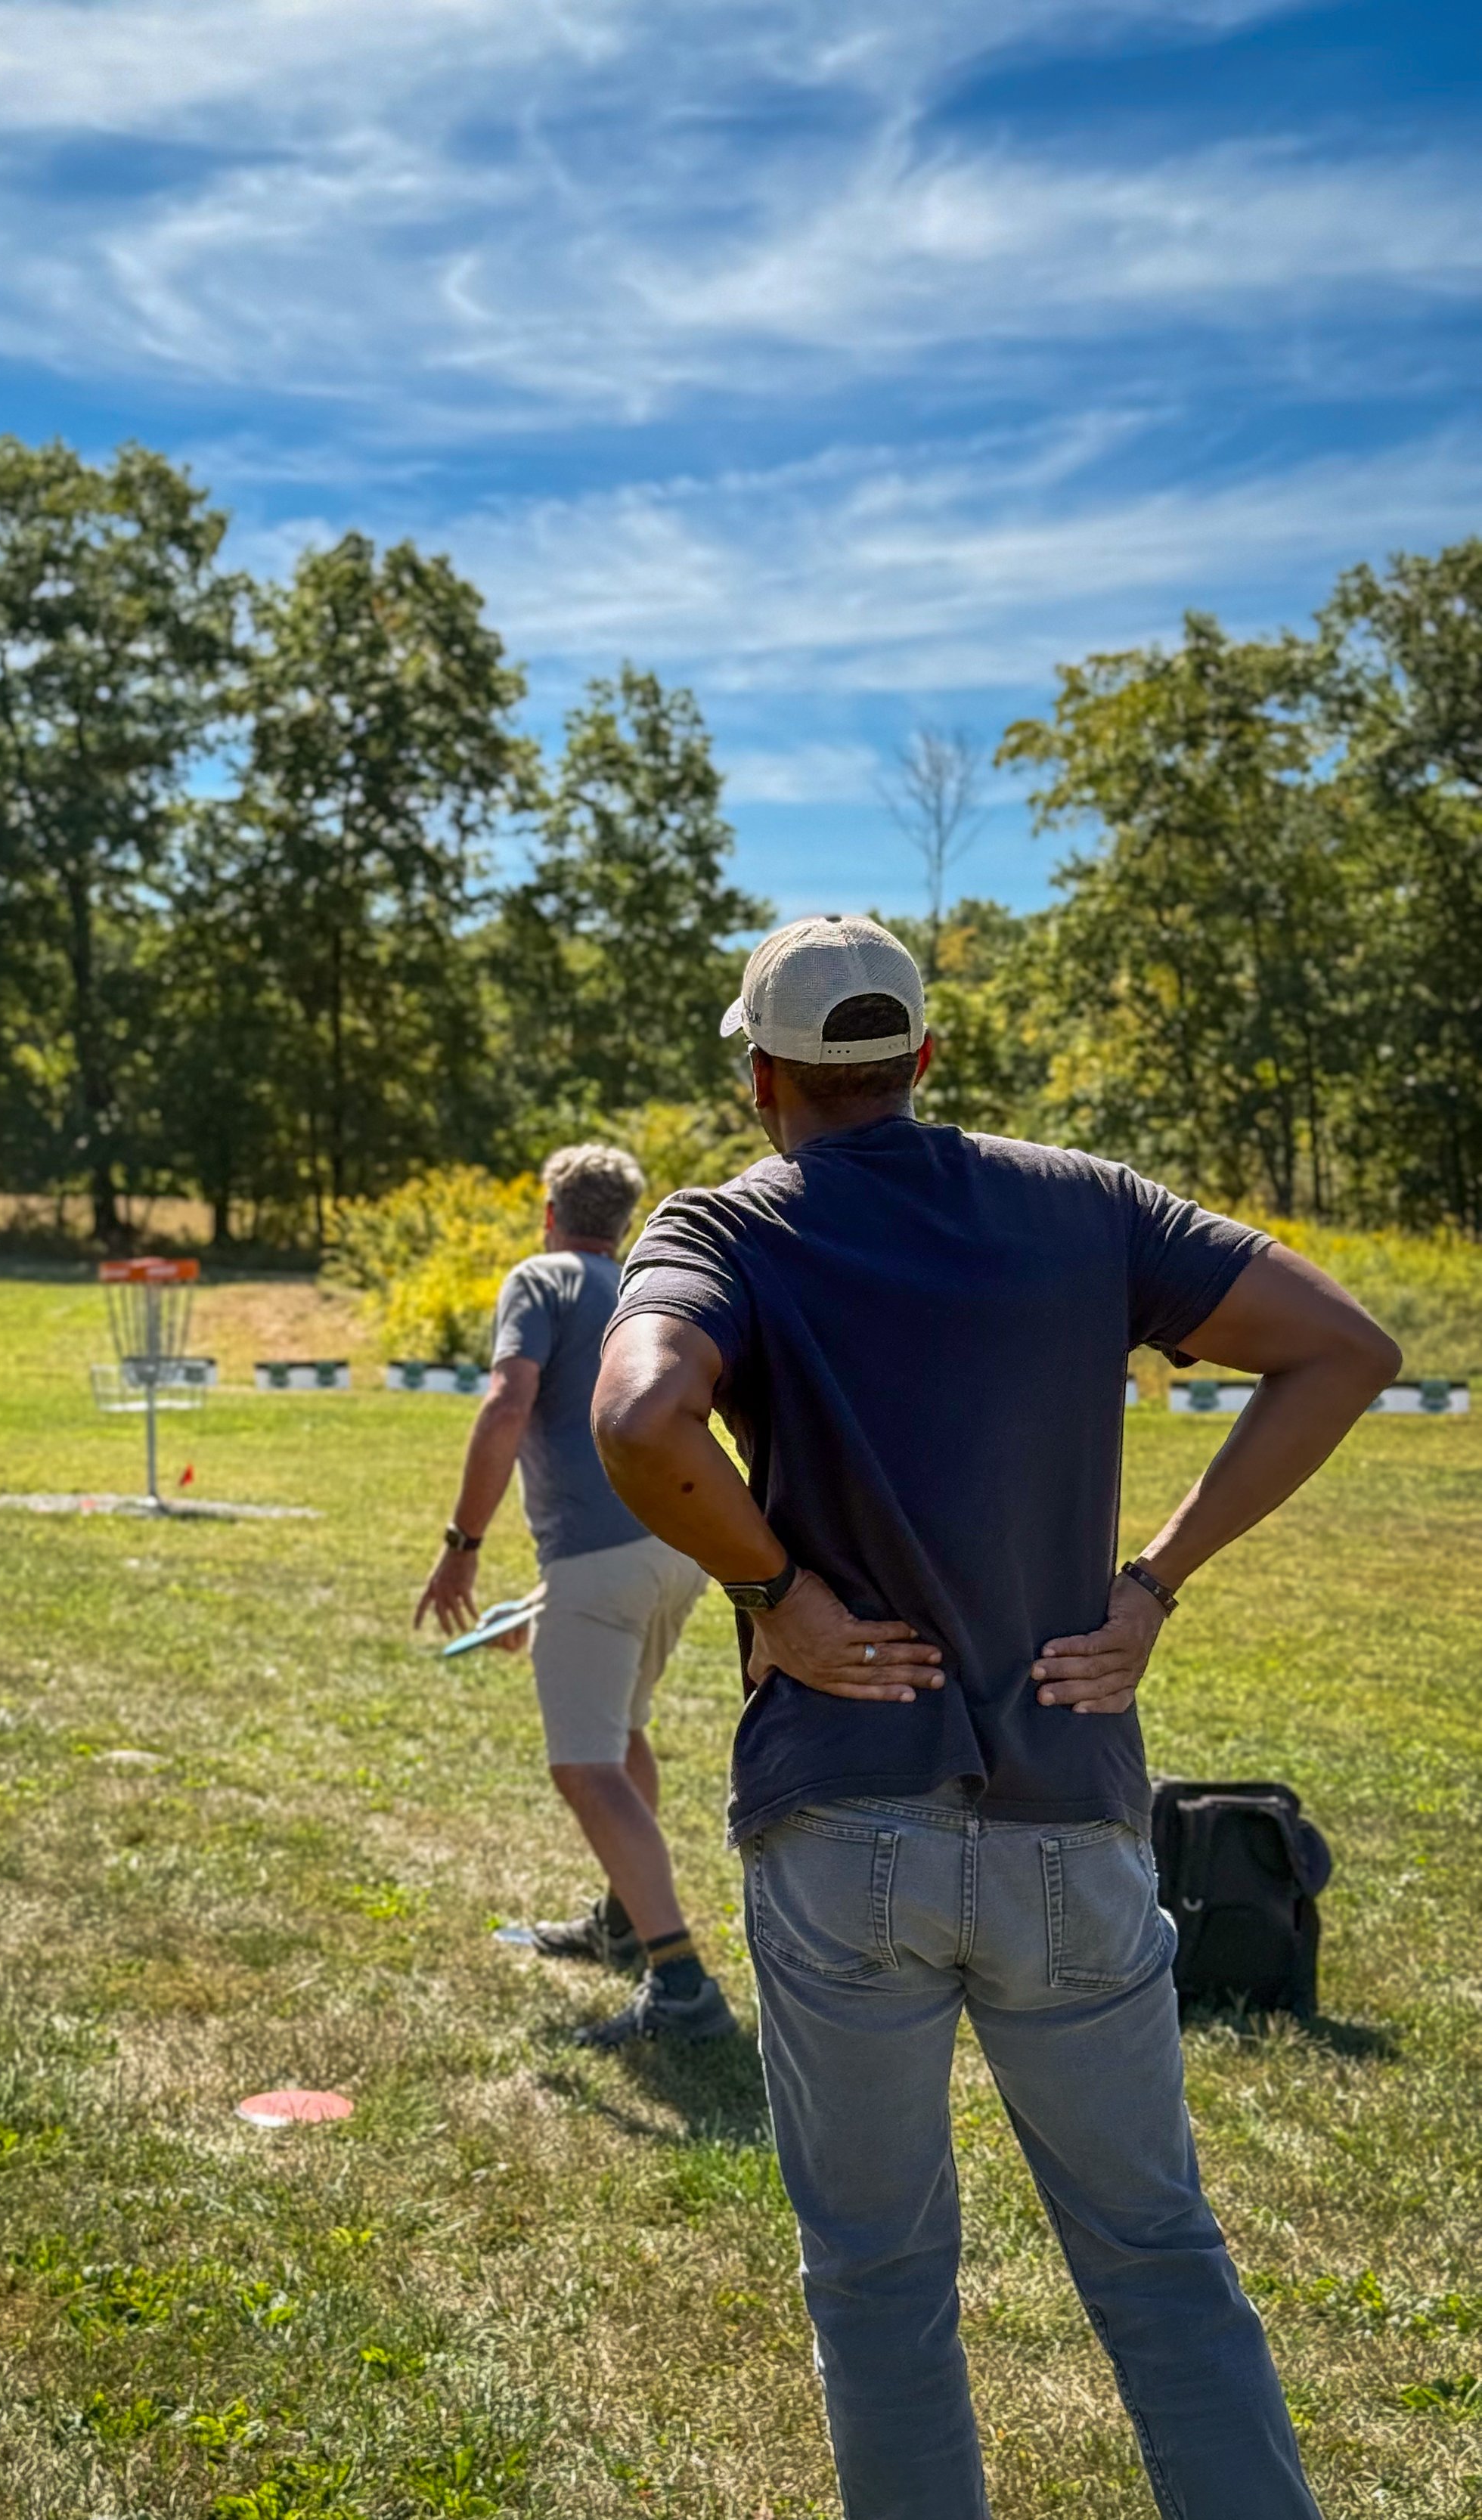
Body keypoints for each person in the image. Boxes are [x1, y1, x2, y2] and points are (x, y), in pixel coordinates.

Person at [590, 913, 1398, 2520]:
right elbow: (1342, 1348)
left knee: (878, 2283)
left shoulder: (722, 1227)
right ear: (920, 1062)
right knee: (1158, 2260)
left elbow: (636, 1413)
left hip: (839, 1820)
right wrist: (1152, 1582)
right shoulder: (1084, 1203)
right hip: (1065, 1814)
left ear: (760, 1075)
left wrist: (774, 1593)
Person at [414, 1142, 735, 2047]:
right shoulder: (641, 1281)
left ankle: (679, 1985)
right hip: (677, 1548)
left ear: (551, 1213)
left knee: (584, 1765)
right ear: (621, 1221)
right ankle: (623, 1923)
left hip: (605, 1561)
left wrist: (461, 1549)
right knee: (622, 1734)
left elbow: (507, 1405)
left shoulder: (540, 1278)